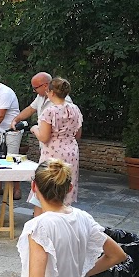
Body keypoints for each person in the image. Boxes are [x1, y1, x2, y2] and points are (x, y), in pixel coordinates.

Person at [29, 78, 83, 213]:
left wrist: (34, 129)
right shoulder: (75, 109)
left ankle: (40, 220)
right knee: (64, 184)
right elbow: (78, 134)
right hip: (71, 151)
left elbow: (44, 137)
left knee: (45, 185)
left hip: (53, 151)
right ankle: (63, 218)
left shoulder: (50, 111)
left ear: (52, 92)